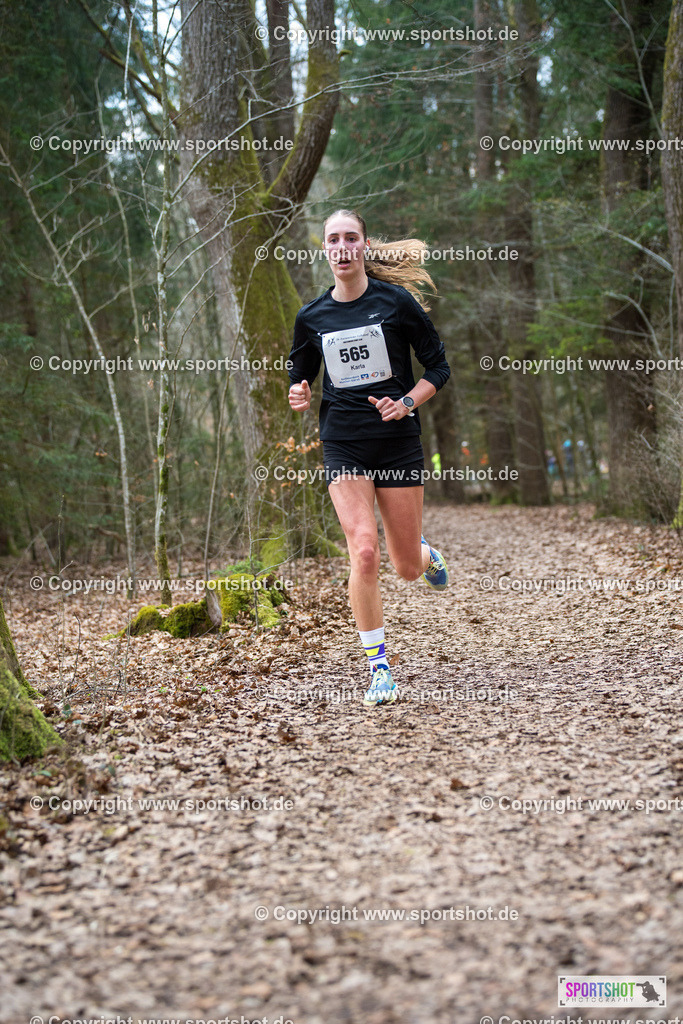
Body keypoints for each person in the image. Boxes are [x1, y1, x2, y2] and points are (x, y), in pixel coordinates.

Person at [287, 209, 450, 708]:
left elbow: (438, 367)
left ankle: (425, 554)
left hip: (397, 443)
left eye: (350, 238)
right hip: (344, 443)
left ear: (364, 245)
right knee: (363, 552)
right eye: (333, 239)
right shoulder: (312, 317)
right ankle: (379, 668)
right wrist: (298, 392)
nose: (342, 247)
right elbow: (300, 374)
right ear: (325, 249)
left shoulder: (395, 303)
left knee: (405, 568)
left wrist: (406, 403)